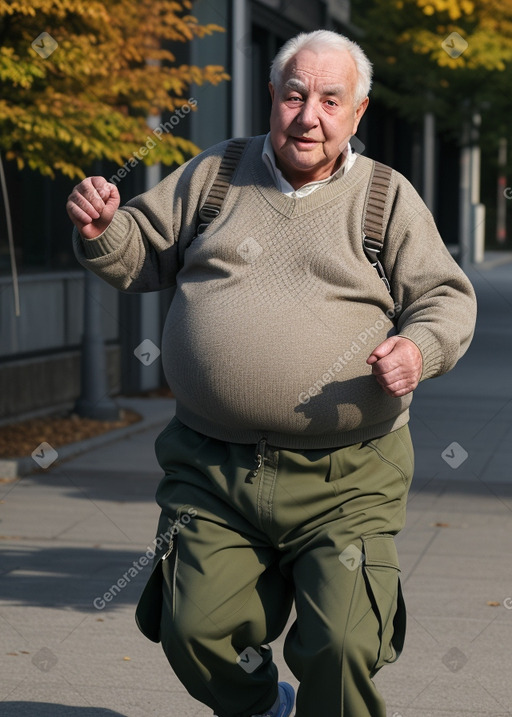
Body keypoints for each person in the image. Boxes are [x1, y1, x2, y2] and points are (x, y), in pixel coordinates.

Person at [67, 29, 477, 717]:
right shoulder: (216, 175)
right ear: (272, 98)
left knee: (342, 644)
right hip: (213, 467)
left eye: (328, 99)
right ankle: (262, 707)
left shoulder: (385, 197)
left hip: (347, 476)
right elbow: (141, 252)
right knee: (190, 627)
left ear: (358, 111)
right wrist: (105, 229)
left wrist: (417, 350)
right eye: (294, 95)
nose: (307, 114)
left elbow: (446, 299)